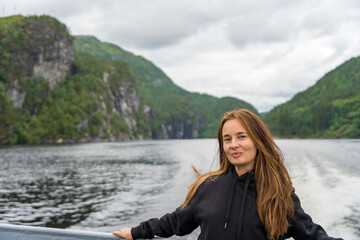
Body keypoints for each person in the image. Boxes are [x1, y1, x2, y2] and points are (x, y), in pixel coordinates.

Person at [113, 109, 343, 240]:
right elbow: (176, 221)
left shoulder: (278, 193)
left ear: (258, 140)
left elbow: (311, 235)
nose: (234, 145)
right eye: (227, 139)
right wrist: (136, 232)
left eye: (242, 136)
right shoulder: (208, 186)